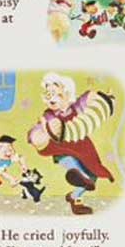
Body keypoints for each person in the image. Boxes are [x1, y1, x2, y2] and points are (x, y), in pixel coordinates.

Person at [27, 74, 116, 216]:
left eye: (57, 94)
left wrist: (104, 99)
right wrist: (39, 134)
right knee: (76, 169)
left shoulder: (76, 107)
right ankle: (77, 188)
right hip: (62, 150)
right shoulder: (49, 115)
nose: (51, 98)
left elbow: (89, 98)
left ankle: (74, 197)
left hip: (82, 147)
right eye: (48, 94)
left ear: (68, 95)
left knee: (92, 177)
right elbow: (38, 130)